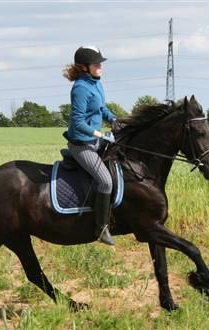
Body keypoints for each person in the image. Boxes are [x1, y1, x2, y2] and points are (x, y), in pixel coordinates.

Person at [62, 46, 120, 246]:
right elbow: (77, 122)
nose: (100, 66)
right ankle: (101, 228)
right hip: (82, 144)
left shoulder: (96, 84)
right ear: (85, 67)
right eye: (96, 64)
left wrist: (113, 119)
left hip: (95, 140)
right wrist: (101, 134)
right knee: (105, 182)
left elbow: (101, 107)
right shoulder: (80, 88)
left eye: (100, 63)